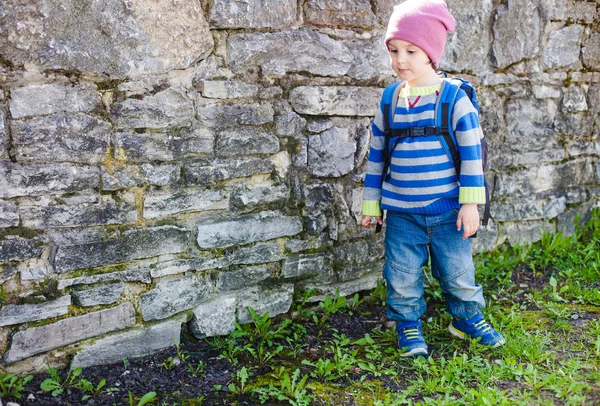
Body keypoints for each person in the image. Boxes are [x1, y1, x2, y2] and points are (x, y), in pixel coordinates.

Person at [361, 0, 505, 357]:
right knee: (401, 274)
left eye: (411, 50)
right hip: (402, 213)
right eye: (394, 50)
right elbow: (377, 154)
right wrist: (371, 203)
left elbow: (472, 155)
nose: (400, 60)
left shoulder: (455, 99)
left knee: (458, 272)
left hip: (447, 211)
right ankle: (408, 326)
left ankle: (466, 318)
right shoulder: (390, 98)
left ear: (431, 52)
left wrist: (470, 204)